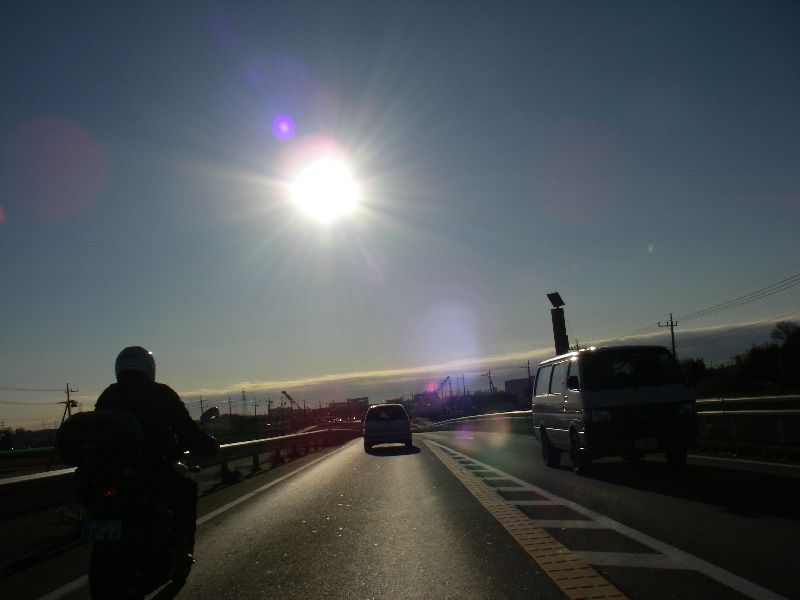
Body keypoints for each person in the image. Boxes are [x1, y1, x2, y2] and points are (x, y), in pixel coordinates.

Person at [95, 346, 218, 562]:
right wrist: (209, 446)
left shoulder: (108, 395)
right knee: (187, 490)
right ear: (149, 368)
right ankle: (181, 549)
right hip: (153, 469)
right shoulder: (161, 393)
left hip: (113, 473)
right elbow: (187, 430)